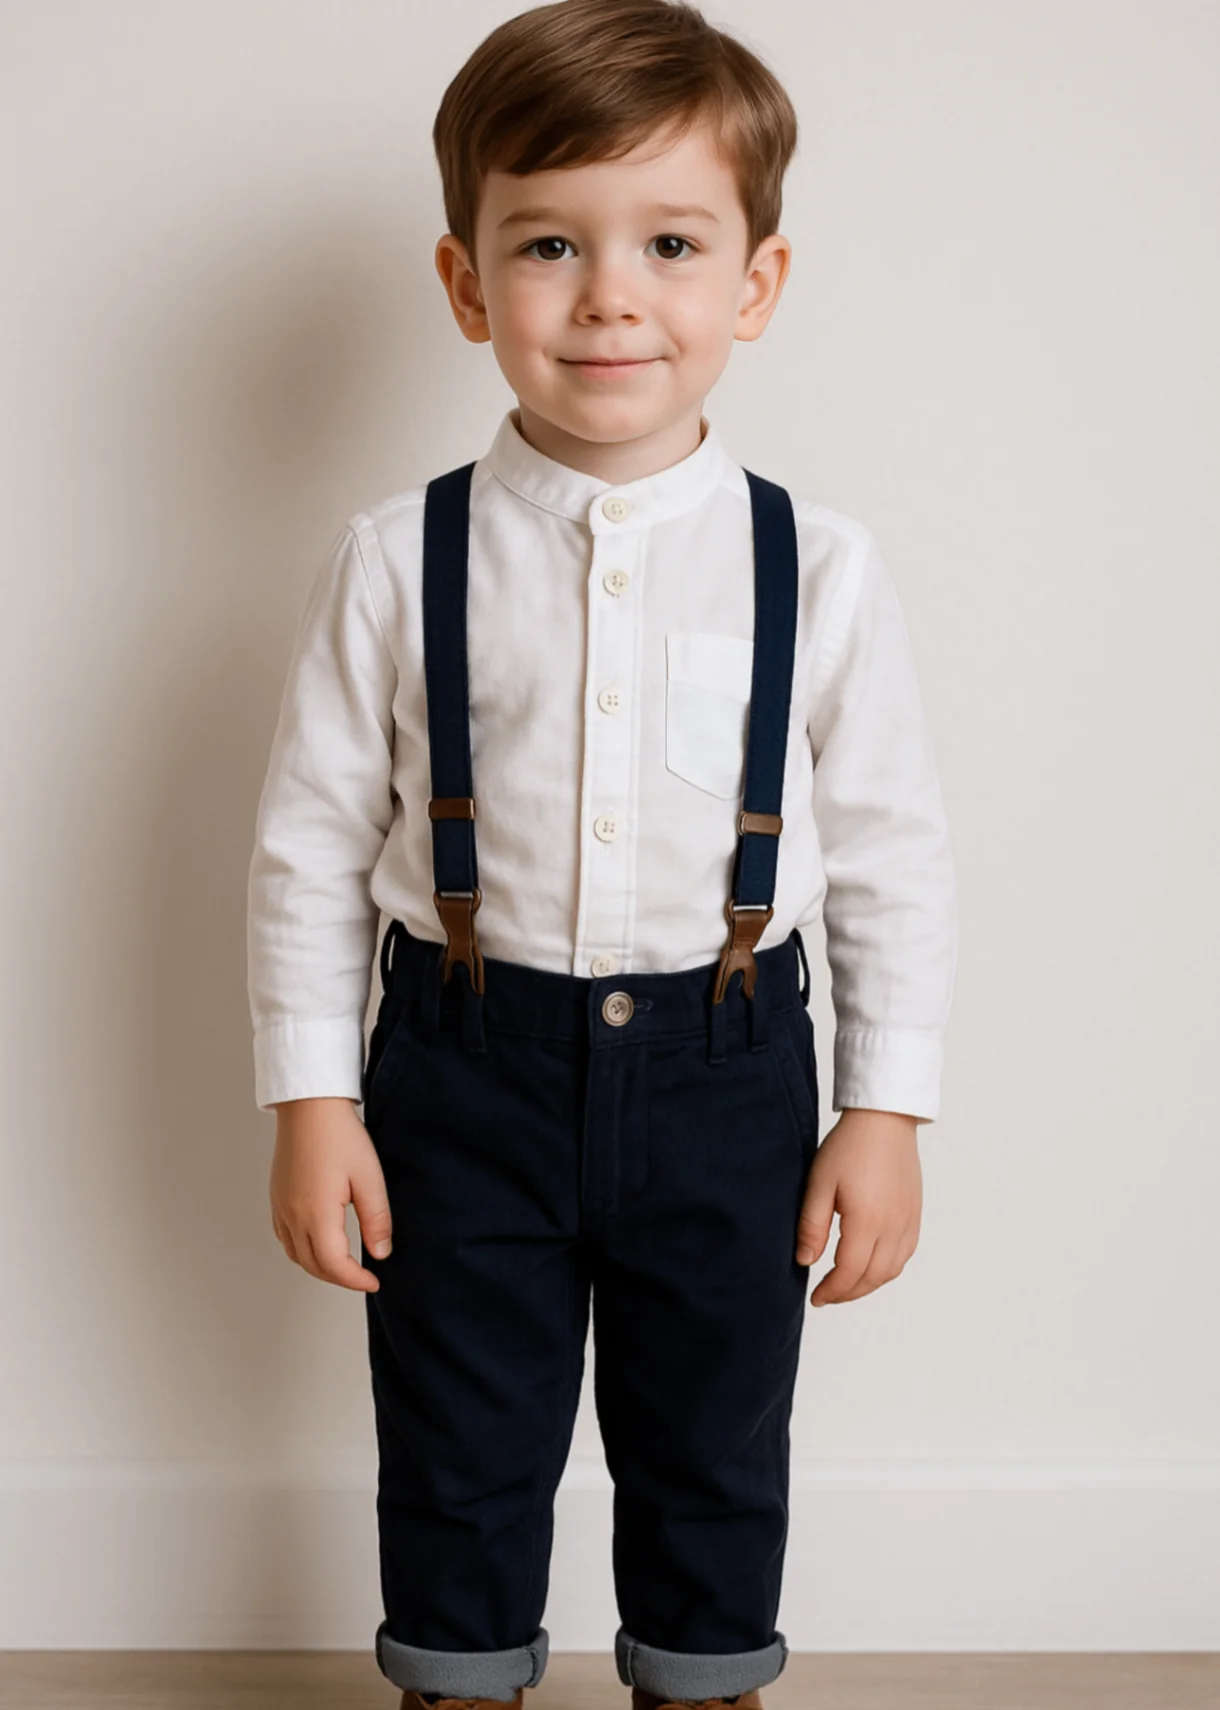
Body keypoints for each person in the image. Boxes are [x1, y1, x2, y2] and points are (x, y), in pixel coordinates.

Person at [246, 2, 958, 1706]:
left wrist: (883, 1109)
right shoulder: (394, 555)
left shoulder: (822, 565)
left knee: (715, 1435)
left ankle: (704, 1681)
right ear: (468, 282)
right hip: (457, 1070)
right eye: (550, 242)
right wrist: (311, 1102)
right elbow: (306, 847)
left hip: (729, 1073)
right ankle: (456, 1677)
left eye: (671, 244)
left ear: (755, 286)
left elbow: (891, 853)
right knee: (454, 1433)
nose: (612, 294)